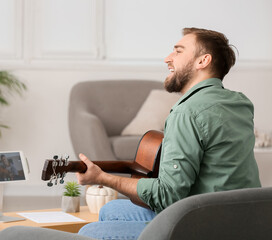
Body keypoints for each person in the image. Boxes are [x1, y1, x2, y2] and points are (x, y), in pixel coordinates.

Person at [76, 27, 261, 239]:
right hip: (244, 217)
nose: (167, 58)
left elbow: (168, 196)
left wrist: (103, 178)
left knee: (89, 232)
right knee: (110, 210)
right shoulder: (240, 103)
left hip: (207, 225)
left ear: (203, 61)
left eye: (178, 51)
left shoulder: (187, 112)